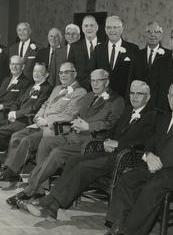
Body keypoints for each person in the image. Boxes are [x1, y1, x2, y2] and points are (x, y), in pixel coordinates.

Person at [16, 80, 156, 221]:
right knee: (73, 161)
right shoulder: (127, 111)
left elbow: (146, 142)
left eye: (139, 94)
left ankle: (49, 201)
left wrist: (118, 144)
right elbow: (112, 130)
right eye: (132, 93)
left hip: (126, 158)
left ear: (148, 96)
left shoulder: (152, 116)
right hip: (108, 151)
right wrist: (107, 141)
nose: (135, 96)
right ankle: (53, 206)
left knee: (83, 167)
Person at [104, 82, 173, 235]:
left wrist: (159, 163)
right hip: (157, 167)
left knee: (153, 186)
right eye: (172, 96)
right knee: (127, 179)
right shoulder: (163, 119)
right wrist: (149, 155)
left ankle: (129, 232)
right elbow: (150, 143)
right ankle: (118, 225)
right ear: (167, 97)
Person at [5, 68, 124, 201]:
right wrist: (75, 123)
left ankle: (31, 189)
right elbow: (78, 115)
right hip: (73, 134)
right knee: (46, 142)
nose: (95, 84)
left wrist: (89, 126)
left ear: (107, 82)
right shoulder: (89, 96)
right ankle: (39, 188)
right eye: (92, 81)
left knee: (58, 153)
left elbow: (111, 124)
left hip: (92, 141)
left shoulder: (116, 100)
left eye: (99, 81)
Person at [0, 62, 86, 183]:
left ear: (75, 74)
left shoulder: (80, 92)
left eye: (66, 72)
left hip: (55, 128)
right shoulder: (57, 88)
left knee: (27, 140)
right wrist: (38, 117)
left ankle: (13, 173)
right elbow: (45, 104)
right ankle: (12, 169)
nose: (63, 75)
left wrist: (46, 121)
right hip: (40, 123)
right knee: (17, 135)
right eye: (61, 73)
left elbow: (69, 115)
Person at [0, 62, 52, 150]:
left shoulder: (47, 88)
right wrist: (12, 112)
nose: (35, 73)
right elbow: (17, 102)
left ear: (46, 74)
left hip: (26, 121)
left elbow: (35, 108)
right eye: (34, 71)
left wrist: (17, 114)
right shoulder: (31, 86)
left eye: (39, 71)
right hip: (16, 119)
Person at [90, 15, 139, 97]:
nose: (112, 30)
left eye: (115, 27)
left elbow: (135, 76)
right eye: (109, 28)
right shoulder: (98, 49)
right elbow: (93, 73)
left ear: (121, 29)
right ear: (105, 30)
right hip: (102, 96)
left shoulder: (133, 49)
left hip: (124, 96)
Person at [128, 21, 170, 104]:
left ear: (161, 35)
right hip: (139, 101)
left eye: (156, 32)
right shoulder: (137, 55)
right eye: (149, 32)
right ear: (145, 35)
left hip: (160, 103)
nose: (152, 35)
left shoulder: (168, 55)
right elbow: (130, 79)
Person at [68, 15, 100, 90]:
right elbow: (70, 70)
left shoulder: (104, 46)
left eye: (91, 25)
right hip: (79, 89)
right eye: (86, 26)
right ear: (82, 29)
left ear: (97, 27)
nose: (89, 28)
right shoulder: (74, 47)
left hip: (99, 89)